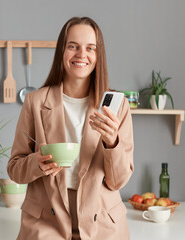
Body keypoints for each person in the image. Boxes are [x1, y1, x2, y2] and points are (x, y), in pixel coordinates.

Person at [7, 16, 134, 240]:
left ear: (98, 55)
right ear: (61, 52)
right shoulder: (35, 102)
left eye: (90, 48)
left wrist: (111, 143)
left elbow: (118, 181)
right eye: (73, 46)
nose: (81, 55)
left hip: (102, 224)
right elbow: (15, 169)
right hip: (46, 222)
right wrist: (37, 164)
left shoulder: (118, 106)